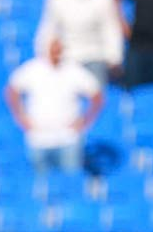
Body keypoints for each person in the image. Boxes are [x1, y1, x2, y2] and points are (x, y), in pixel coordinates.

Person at [6, 38, 104, 173]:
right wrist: (21, 117)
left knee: (70, 183)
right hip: (38, 137)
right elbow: (12, 91)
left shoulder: (73, 70)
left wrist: (85, 121)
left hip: (68, 137)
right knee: (40, 185)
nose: (55, 52)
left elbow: (97, 96)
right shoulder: (32, 69)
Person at [34, 0, 124, 87]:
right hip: (66, 58)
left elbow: (111, 29)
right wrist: (42, 53)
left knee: (96, 96)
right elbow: (49, 27)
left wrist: (114, 58)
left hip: (95, 57)